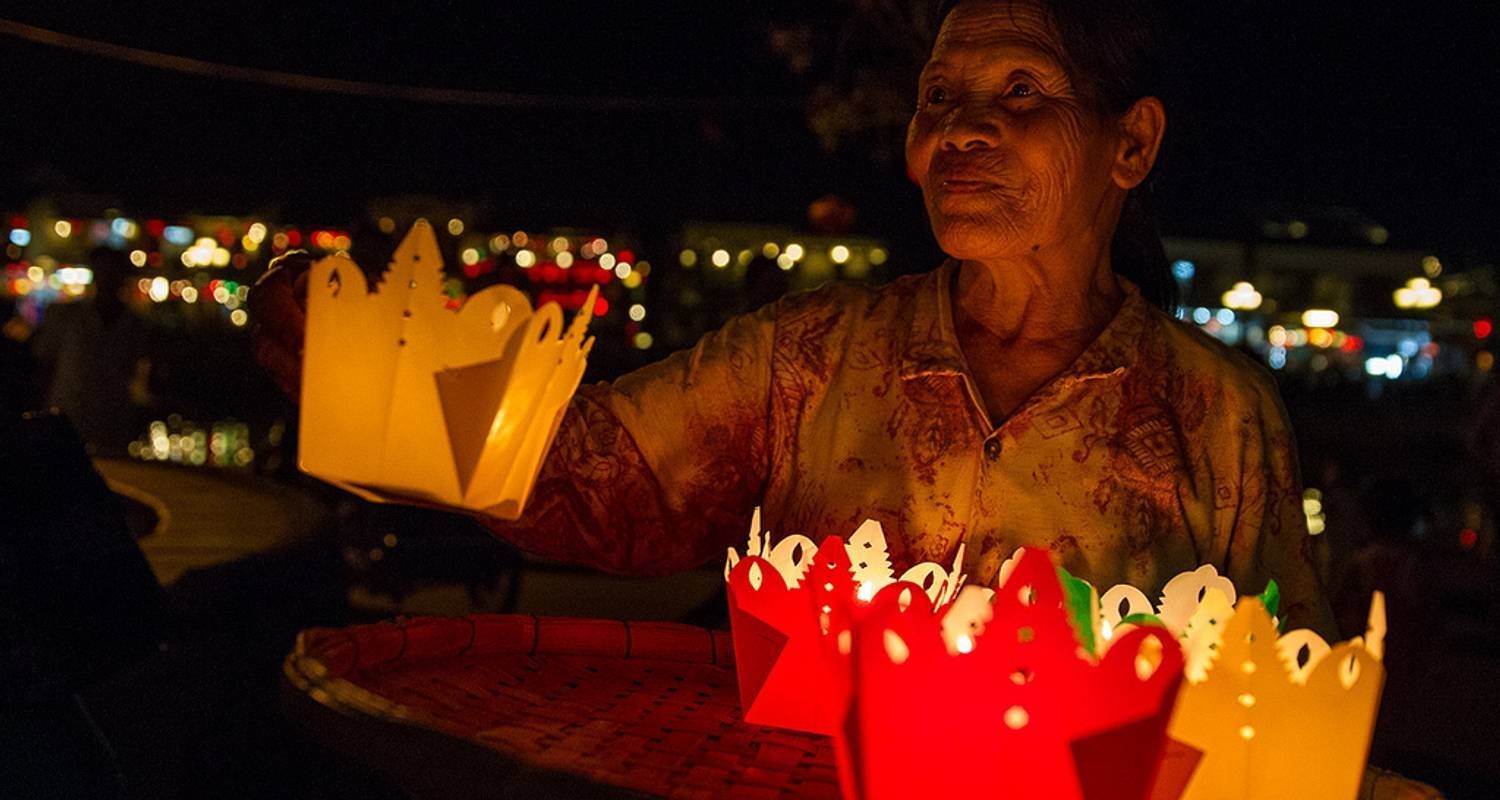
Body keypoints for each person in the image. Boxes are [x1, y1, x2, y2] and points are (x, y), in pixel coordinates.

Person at [253, 0, 1335, 636]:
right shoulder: (812, 355)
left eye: (1019, 94)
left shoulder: (1215, 416)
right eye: (939, 97)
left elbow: (1277, 686)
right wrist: (377, 373)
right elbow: (604, 476)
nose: (959, 131)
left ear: (1131, 145)